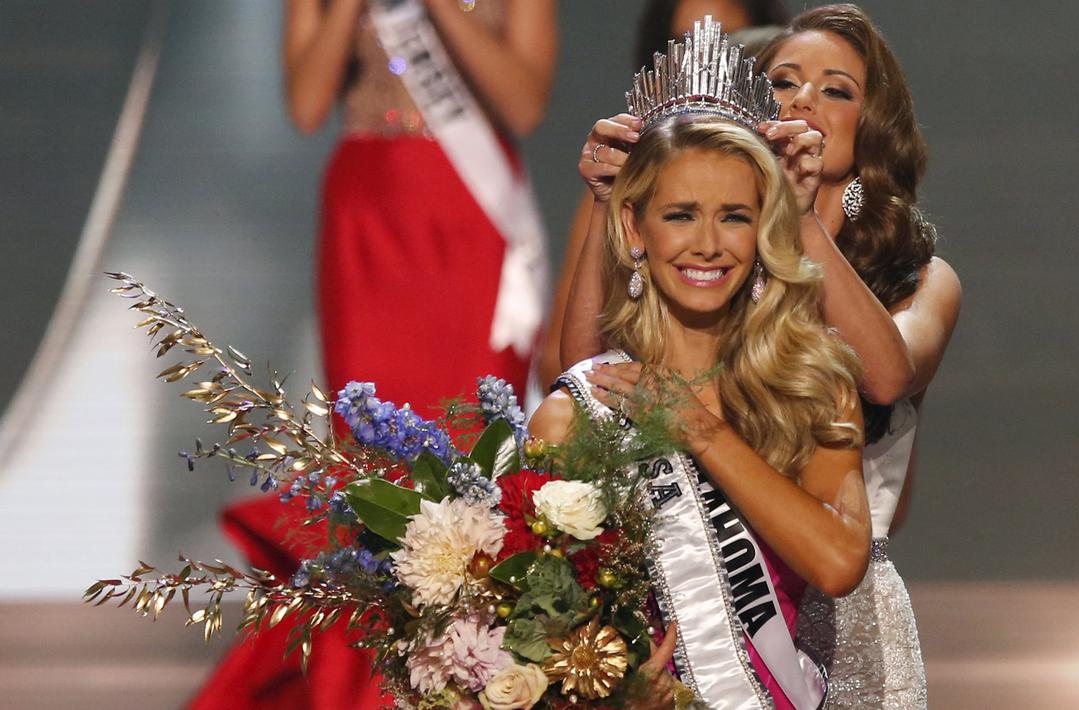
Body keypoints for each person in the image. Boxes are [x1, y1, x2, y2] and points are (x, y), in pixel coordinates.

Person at [560, 5, 961, 708]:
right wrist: (604, 207)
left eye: (836, 89)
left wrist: (798, 217)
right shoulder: (710, 266)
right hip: (693, 590)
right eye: (782, 83)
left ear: (873, 127)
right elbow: (588, 374)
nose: (804, 100)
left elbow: (887, 375)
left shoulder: (916, 278)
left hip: (841, 610)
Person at [190, 2, 557, 707]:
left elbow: (524, 100)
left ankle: (483, 672)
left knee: (468, 449)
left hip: (468, 215)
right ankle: (370, 682)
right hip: (370, 215)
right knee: (371, 455)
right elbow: (304, 105)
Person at [534, 109, 871, 707]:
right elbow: (533, 622)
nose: (709, 245)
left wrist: (700, 431)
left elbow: (839, 563)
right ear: (635, 228)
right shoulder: (578, 414)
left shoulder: (809, 384)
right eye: (681, 215)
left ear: (763, 228)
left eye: (734, 217)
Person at [537, 0, 789, 388]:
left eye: (728, 44)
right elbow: (573, 370)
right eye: (680, 215)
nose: (702, 59)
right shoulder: (619, 190)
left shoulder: (791, 185)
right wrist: (605, 203)